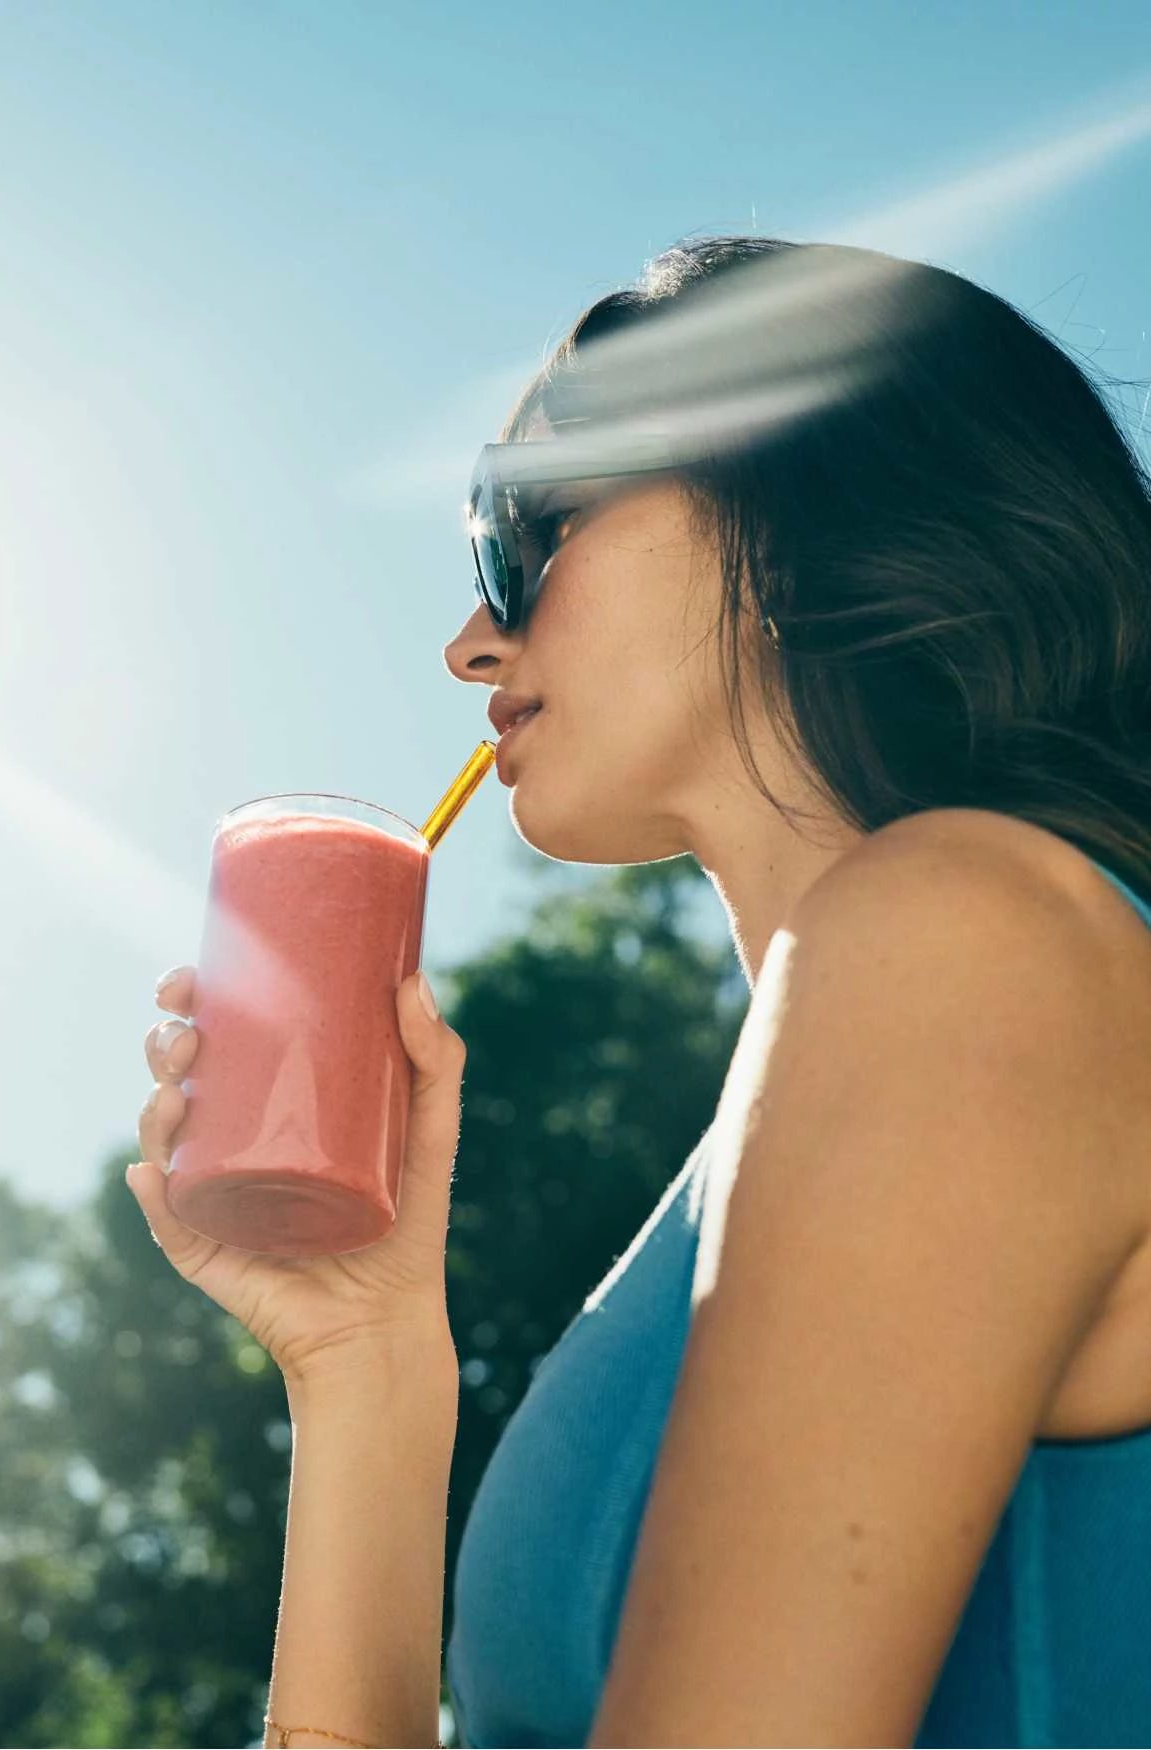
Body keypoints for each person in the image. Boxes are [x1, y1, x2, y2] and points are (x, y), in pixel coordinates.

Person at [128, 236, 1151, 1748]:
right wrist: (364, 1363)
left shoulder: (976, 935)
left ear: (793, 470)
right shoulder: (804, 1102)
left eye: (520, 532)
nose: (475, 636)